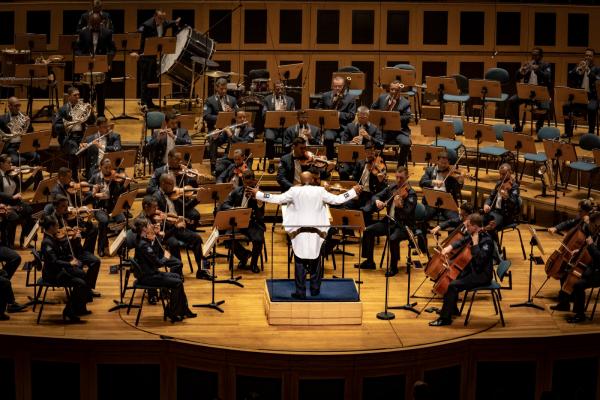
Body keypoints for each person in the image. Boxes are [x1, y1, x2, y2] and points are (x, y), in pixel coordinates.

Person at [249, 171, 361, 298]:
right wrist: (352, 191)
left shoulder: (294, 191)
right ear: (313, 180)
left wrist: (258, 194)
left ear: (300, 181)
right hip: (317, 230)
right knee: (316, 259)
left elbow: (277, 199)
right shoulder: (320, 191)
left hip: (299, 231)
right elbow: (337, 200)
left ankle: (300, 291)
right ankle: (315, 290)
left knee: (299, 260)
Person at [429, 213, 495, 326]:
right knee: (451, 278)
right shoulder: (474, 233)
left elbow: (480, 261)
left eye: (468, 226)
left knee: (453, 285)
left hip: (481, 275)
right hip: (472, 270)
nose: (466, 228)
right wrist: (450, 247)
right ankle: (452, 309)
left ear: (475, 226)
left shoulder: (487, 241)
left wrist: (475, 244)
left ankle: (445, 319)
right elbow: (462, 240)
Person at [133, 218, 196, 322]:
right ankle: (172, 311)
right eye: (149, 225)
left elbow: (155, 253)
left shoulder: (142, 240)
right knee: (177, 282)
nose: (151, 227)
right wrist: (166, 257)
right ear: (144, 229)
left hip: (150, 273)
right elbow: (158, 263)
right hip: (148, 277)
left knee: (177, 277)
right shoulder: (143, 245)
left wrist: (156, 236)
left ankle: (182, 310)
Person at [136, 195, 211, 282]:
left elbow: (167, 223)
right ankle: (178, 274)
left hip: (171, 229)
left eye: (157, 206)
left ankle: (202, 270)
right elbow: (161, 236)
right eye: (154, 207)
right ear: (146, 207)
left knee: (197, 238)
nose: (157, 209)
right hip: (164, 236)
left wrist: (174, 221)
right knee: (174, 244)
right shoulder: (143, 221)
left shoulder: (156, 214)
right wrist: (174, 226)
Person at [358, 167, 417, 276]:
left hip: (403, 226)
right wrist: (377, 201)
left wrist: (399, 206)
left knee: (393, 238)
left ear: (407, 177)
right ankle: (370, 261)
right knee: (368, 230)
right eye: (397, 177)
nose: (398, 180)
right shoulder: (391, 188)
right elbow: (376, 195)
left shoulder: (411, 194)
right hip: (389, 221)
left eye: (401, 178)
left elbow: (406, 213)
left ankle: (394, 268)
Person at [44, 195, 101, 296]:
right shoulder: (52, 222)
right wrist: (71, 238)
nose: (67, 209)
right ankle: (83, 291)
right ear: (56, 207)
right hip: (67, 254)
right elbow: (57, 244)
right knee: (79, 268)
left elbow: (85, 232)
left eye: (67, 206)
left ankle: (88, 288)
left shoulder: (71, 216)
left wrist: (88, 220)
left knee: (96, 261)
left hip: (78, 250)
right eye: (63, 206)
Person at [40, 215, 93, 322]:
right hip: (53, 274)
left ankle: (80, 307)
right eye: (57, 226)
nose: (59, 228)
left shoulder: (53, 237)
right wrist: (70, 264)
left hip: (60, 270)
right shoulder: (47, 242)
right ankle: (69, 311)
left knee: (83, 274)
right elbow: (54, 262)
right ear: (50, 227)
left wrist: (72, 258)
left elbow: (61, 252)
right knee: (80, 283)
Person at [548, 198, 596, 312]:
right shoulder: (581, 218)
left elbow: (591, 241)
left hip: (588, 257)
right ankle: (565, 302)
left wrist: (580, 250)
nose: (578, 213)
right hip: (579, 253)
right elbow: (569, 222)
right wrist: (556, 228)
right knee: (564, 271)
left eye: (580, 211)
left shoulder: (592, 224)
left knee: (568, 272)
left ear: (586, 212)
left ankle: (568, 299)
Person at [131, 9, 182, 108]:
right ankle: (143, 102)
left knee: (152, 80)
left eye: (163, 19)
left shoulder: (164, 22)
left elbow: (169, 23)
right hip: (144, 56)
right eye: (160, 18)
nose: (162, 21)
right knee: (145, 80)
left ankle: (149, 102)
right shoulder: (146, 25)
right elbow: (137, 37)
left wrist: (176, 21)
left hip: (154, 56)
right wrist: (134, 52)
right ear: (155, 16)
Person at [218, 170, 265, 273]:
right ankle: (244, 256)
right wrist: (235, 208)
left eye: (250, 183)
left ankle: (253, 264)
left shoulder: (259, 193)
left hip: (253, 222)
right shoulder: (237, 191)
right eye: (245, 183)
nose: (247, 186)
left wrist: (258, 199)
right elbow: (224, 204)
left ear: (254, 181)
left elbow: (260, 211)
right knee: (228, 238)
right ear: (242, 180)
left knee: (258, 240)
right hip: (238, 221)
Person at [75, 12, 116, 118]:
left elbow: (112, 50)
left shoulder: (107, 33)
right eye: (93, 24)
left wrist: (108, 61)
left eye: (97, 24)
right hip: (87, 65)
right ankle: (86, 115)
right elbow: (77, 49)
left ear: (101, 22)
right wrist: (83, 58)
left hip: (100, 64)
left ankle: (101, 114)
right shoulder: (83, 33)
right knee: (85, 92)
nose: (95, 26)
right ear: (89, 23)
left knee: (101, 92)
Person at [89, 158, 131, 257]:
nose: (108, 170)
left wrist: (124, 185)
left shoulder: (113, 178)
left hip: (112, 206)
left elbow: (116, 194)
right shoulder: (95, 178)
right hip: (99, 208)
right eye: (106, 168)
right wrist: (96, 194)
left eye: (110, 167)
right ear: (100, 167)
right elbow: (88, 193)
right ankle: (102, 247)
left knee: (123, 220)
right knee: (103, 221)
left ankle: (120, 247)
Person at [565, 212, 600, 323]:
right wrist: (580, 250)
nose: (594, 228)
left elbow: (599, 257)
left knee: (579, 285)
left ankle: (580, 315)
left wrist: (590, 245)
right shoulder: (597, 233)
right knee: (568, 270)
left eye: (592, 225)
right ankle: (566, 304)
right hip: (593, 268)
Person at [0, 154, 41, 248]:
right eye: (8, 163)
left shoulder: (12, 174)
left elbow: (24, 186)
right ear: (1, 164)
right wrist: (12, 197)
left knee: (29, 210)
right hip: (3, 203)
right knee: (14, 217)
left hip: (14, 203)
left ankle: (25, 240)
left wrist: (34, 173)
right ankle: (9, 244)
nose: (11, 164)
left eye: (11, 162)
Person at [507, 47, 552, 133]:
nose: (534, 56)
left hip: (540, 93)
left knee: (545, 104)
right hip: (527, 93)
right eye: (532, 54)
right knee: (512, 101)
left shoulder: (546, 65)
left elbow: (547, 77)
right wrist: (521, 71)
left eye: (536, 55)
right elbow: (517, 77)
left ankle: (539, 126)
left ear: (541, 56)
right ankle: (517, 126)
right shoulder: (528, 64)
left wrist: (537, 69)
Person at [53, 87, 95, 174]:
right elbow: (55, 126)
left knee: (93, 149)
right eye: (75, 95)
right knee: (74, 150)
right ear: (69, 97)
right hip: (68, 137)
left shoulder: (83, 108)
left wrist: (91, 113)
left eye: (78, 95)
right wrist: (69, 123)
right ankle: (74, 175)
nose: (77, 97)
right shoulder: (63, 109)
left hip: (82, 136)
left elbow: (91, 122)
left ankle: (89, 174)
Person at [371, 80, 412, 167]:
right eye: (392, 89)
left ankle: (400, 166)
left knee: (406, 143)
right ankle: (381, 165)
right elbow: (372, 109)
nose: (393, 92)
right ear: (389, 89)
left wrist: (394, 118)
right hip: (384, 130)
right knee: (374, 141)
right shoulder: (382, 98)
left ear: (400, 91)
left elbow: (407, 117)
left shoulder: (406, 103)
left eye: (396, 90)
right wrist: (381, 114)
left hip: (399, 131)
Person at [316, 76, 357, 159]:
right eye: (335, 86)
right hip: (330, 127)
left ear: (343, 86)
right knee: (328, 138)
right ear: (332, 86)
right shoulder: (325, 96)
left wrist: (339, 114)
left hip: (344, 126)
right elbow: (317, 109)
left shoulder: (351, 98)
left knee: (345, 139)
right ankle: (329, 161)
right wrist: (325, 113)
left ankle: (343, 161)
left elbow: (352, 116)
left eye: (340, 86)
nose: (337, 88)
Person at [564, 48, 599, 138]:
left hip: (592, 97)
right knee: (566, 106)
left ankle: (590, 133)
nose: (587, 57)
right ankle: (568, 132)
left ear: (593, 57)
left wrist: (588, 71)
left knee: (591, 108)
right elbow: (570, 74)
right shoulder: (579, 66)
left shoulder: (597, 69)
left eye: (590, 56)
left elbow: (597, 79)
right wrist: (577, 69)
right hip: (578, 97)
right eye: (586, 55)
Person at [419, 151, 463, 223]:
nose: (443, 165)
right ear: (437, 161)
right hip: (431, 202)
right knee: (422, 218)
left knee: (457, 220)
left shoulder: (452, 173)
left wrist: (460, 181)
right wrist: (433, 182)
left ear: (449, 163)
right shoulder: (430, 170)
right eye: (441, 163)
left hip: (447, 203)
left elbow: (457, 191)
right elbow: (421, 183)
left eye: (445, 163)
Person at [263, 81, 296, 173]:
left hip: (285, 127)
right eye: (278, 89)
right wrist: (274, 114)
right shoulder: (267, 99)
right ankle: (271, 163)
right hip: (272, 127)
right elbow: (263, 114)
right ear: (274, 90)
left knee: (289, 139)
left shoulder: (290, 100)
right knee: (269, 138)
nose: (280, 91)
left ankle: (286, 163)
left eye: (282, 89)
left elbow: (294, 115)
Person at [482, 163, 520, 233]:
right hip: (493, 211)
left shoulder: (514, 187)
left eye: (504, 174)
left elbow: (514, 204)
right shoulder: (499, 183)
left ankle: (493, 243)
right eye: (500, 174)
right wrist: (486, 204)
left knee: (490, 227)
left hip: (504, 215)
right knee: (479, 220)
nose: (501, 176)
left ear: (510, 172)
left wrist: (507, 197)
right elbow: (491, 197)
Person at [0, 96, 36, 165]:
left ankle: (35, 174)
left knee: (36, 156)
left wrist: (28, 124)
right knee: (16, 160)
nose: (18, 108)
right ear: (9, 106)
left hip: (22, 144)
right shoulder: (2, 119)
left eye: (19, 105)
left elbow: (31, 132)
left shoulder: (24, 116)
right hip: (10, 146)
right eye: (16, 106)